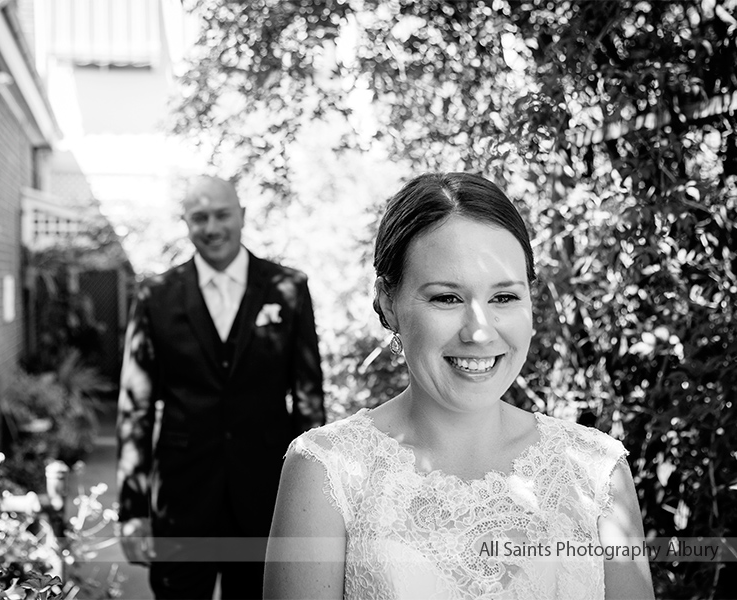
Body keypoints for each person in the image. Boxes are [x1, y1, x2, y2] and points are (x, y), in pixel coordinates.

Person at [264, 173, 654, 599]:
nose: (479, 332)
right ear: (388, 303)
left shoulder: (596, 471)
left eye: (503, 297)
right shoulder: (327, 472)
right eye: (447, 298)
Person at [117, 175, 326, 599]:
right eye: (199, 218)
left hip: (265, 495)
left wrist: (315, 503)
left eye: (221, 215)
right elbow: (135, 407)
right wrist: (133, 509)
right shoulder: (155, 295)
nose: (211, 228)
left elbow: (308, 400)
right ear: (186, 223)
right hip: (181, 499)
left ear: (242, 215)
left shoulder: (287, 288)